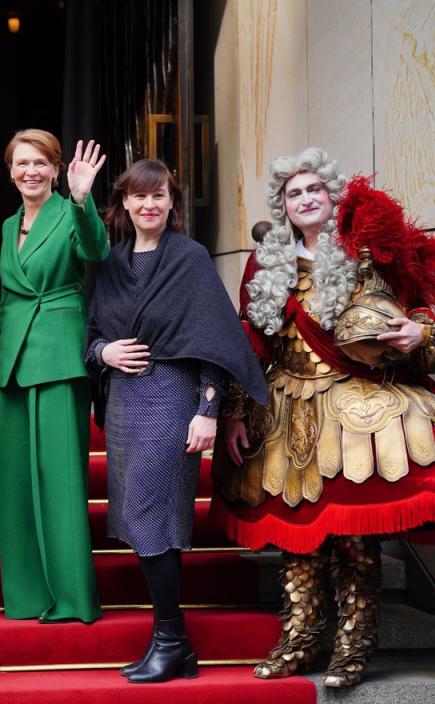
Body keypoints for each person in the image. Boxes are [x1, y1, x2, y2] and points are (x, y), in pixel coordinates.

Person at [211, 147, 435, 688]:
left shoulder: (366, 252)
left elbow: (414, 311)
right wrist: (233, 411)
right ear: (283, 206)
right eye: (292, 194)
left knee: (354, 536)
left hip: (355, 408)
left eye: (313, 191)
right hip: (285, 405)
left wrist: (421, 332)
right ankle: (300, 637)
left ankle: (354, 644)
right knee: (298, 537)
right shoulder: (264, 262)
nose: (304, 200)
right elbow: (247, 342)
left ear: (333, 197)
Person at [85, 159, 267, 683]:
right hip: (124, 401)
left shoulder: (189, 258)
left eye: (159, 196)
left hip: (171, 395)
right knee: (140, 520)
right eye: (139, 197)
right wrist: (104, 353)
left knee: (155, 517)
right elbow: (92, 332)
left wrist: (208, 409)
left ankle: (172, 641)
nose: (149, 205)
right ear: (123, 204)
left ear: (172, 204)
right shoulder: (114, 261)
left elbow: (214, 338)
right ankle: (172, 642)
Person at [0, 129, 108, 623]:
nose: (30, 171)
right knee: (14, 483)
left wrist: (82, 200)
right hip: (15, 364)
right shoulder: (6, 225)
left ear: (56, 169)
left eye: (40, 163)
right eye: (21, 163)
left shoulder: (68, 212)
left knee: (59, 479)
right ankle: (27, 594)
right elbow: (6, 300)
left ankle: (72, 596)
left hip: (59, 357)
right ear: (11, 171)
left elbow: (95, 251)